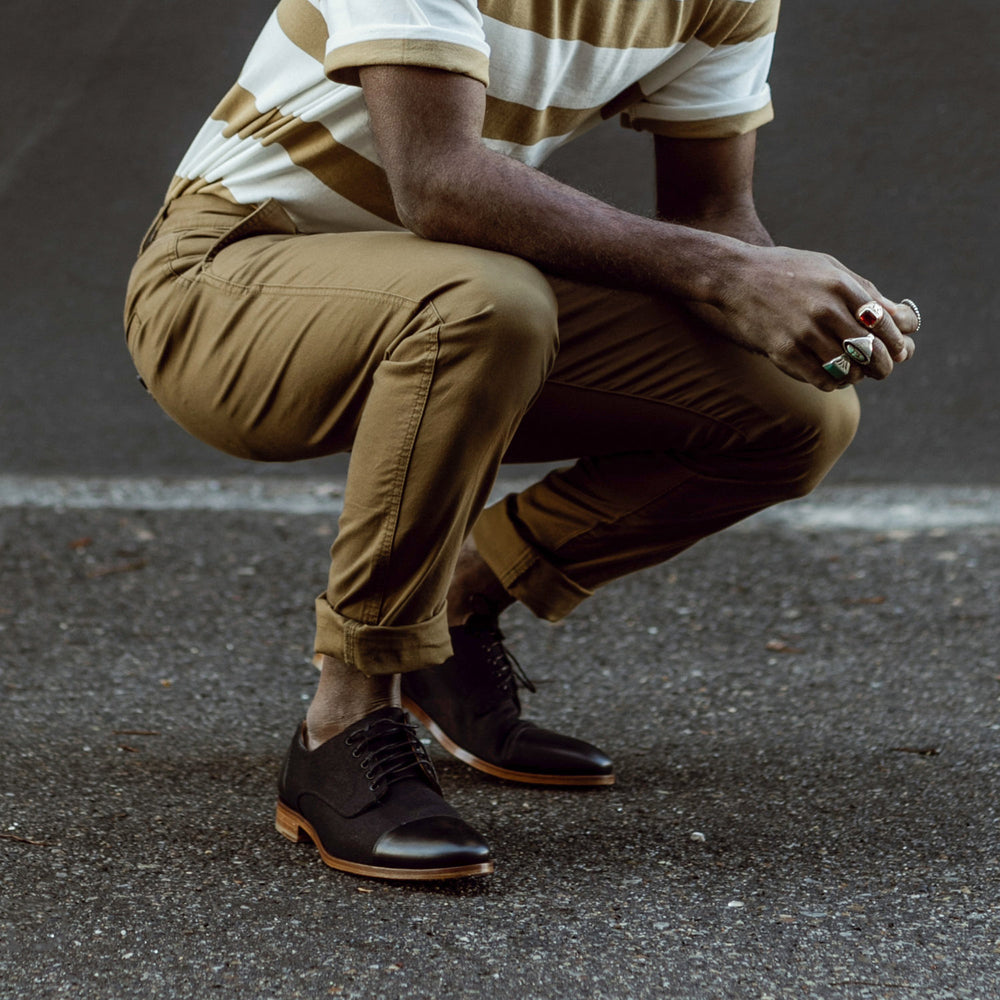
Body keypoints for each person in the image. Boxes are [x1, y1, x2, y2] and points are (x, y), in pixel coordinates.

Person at [124, 0, 919, 881]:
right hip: (222, 287)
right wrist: (731, 275)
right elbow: (438, 180)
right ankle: (343, 720)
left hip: (446, 286)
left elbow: (713, 220)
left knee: (793, 410)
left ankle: (454, 608)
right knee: (488, 303)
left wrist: (807, 308)